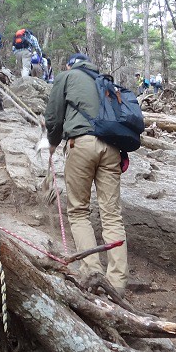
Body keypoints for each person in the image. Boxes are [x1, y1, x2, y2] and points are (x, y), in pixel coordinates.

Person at [43, 53, 128, 295]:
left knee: (79, 211)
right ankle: (118, 283)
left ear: (70, 64)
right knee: (112, 216)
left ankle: (93, 274)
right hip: (112, 148)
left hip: (81, 144)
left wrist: (52, 141)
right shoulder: (103, 81)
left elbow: (53, 115)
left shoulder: (66, 76)